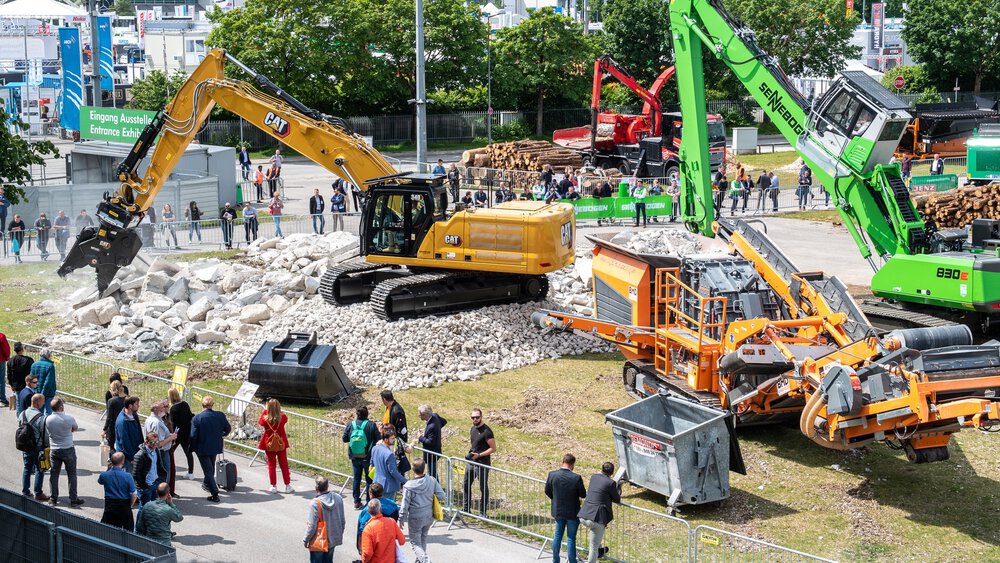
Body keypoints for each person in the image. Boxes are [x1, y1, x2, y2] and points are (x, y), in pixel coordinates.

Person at [399, 458, 445, 563]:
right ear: (424, 468)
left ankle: (425, 560)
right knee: (423, 538)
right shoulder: (432, 480)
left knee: (415, 543)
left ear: (412, 469)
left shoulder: (409, 486)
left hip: (415, 517)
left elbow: (404, 505)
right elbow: (442, 496)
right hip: (429, 516)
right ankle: (420, 560)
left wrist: (401, 518)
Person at [546, 453, 587, 563]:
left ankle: (555, 559)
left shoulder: (552, 474)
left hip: (558, 510)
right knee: (571, 538)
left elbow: (547, 491)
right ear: (572, 464)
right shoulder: (576, 478)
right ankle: (572, 561)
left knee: (557, 536)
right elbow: (583, 494)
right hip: (572, 512)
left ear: (563, 461)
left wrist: (555, 499)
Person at [190, 395, 231, 502]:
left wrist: (192, 447)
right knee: (210, 467)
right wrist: (221, 434)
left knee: (208, 470)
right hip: (215, 445)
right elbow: (228, 429)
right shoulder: (220, 415)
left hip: (202, 447)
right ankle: (206, 484)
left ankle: (214, 493)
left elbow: (193, 435)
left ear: (202, 404)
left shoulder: (197, 418)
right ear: (212, 404)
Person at [578, 462, 621, 563]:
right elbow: (617, 499)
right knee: (593, 546)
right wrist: (617, 490)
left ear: (601, 469)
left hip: (584, 514)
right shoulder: (611, 483)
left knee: (596, 540)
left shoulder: (594, 477)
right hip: (597, 519)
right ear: (612, 472)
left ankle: (600, 551)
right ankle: (596, 555)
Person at [45, 396, 83, 507]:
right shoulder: (69, 419)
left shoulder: (48, 419)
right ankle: (73, 499)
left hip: (54, 450)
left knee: (54, 474)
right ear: (61, 407)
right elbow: (75, 428)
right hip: (68, 449)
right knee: (72, 474)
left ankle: (53, 498)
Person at [342, 405, 380, 509]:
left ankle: (356, 502)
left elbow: (344, 439)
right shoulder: (371, 425)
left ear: (357, 414)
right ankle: (369, 502)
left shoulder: (351, 424)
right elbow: (378, 439)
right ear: (367, 414)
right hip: (368, 457)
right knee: (369, 480)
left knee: (356, 479)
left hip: (354, 457)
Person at [303, 476, 346, 563]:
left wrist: (306, 539)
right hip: (333, 538)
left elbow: (312, 526)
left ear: (316, 488)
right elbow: (342, 520)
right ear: (327, 486)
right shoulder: (338, 498)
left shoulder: (315, 503)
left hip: (319, 540)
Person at [463, 408, 496, 515]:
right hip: (472, 462)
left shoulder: (487, 432)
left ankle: (483, 512)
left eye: (477, 417)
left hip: (482, 463)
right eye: (473, 417)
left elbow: (493, 448)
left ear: (481, 417)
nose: (475, 419)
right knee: (466, 484)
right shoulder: (473, 429)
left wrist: (479, 455)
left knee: (483, 487)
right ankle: (466, 509)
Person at [258, 398, 293, 493]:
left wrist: (266, 410)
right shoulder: (283, 417)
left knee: (271, 465)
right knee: (284, 465)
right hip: (281, 443)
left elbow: (260, 422)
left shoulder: (265, 418)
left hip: (269, 444)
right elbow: (284, 419)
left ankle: (273, 486)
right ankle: (287, 485)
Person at [19, 393, 49, 500]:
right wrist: (46, 446)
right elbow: (44, 434)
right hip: (37, 447)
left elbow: (20, 426)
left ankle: (25, 491)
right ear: (37, 403)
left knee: (27, 468)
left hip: (26, 446)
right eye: (43, 401)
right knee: (39, 469)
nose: (44, 403)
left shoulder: (23, 413)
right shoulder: (41, 417)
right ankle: (38, 493)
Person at [99, 452, 138, 530]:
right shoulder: (127, 476)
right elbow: (134, 494)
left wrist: (108, 469)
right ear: (123, 462)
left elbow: (100, 481)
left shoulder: (104, 475)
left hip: (110, 505)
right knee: (128, 531)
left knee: (107, 530)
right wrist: (130, 504)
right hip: (124, 505)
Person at [356, 482, 400, 552]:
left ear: (370, 494)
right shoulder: (392, 504)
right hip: (389, 540)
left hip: (374, 544)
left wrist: (360, 547)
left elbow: (362, 530)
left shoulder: (368, 509)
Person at [132, 431, 167, 511]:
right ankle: (139, 524)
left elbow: (159, 467)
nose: (155, 444)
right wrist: (144, 487)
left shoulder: (156, 451)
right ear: (146, 441)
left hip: (155, 484)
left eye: (156, 442)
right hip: (146, 487)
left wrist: (160, 481)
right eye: (152, 442)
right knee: (143, 510)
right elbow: (136, 474)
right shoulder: (139, 455)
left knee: (153, 509)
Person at [144, 400, 177, 485]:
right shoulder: (157, 422)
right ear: (157, 410)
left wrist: (168, 435)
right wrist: (171, 437)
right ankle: (163, 495)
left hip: (155, 451)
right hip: (162, 452)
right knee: (165, 475)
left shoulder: (149, 419)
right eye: (163, 407)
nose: (165, 409)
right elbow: (159, 443)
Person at [168, 387, 195, 487]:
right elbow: (190, 415)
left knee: (170, 452)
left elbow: (173, 423)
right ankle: (191, 472)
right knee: (188, 453)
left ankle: (170, 472)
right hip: (186, 432)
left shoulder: (173, 409)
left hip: (177, 434)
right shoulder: (185, 404)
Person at [370, 426, 407, 499]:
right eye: (392, 438)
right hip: (388, 486)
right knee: (388, 507)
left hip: (377, 483)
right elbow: (393, 472)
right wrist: (405, 481)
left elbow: (372, 463)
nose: (394, 440)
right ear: (386, 439)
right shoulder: (389, 454)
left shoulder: (375, 448)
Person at [415, 405, 446, 480]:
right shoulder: (434, 416)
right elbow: (444, 421)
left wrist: (420, 437)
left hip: (431, 453)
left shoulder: (432, 426)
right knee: (432, 472)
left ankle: (435, 488)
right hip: (435, 451)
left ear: (425, 415)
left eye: (420, 415)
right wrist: (434, 432)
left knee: (432, 473)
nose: (419, 416)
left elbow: (430, 442)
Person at [115, 396, 144, 472]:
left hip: (136, 453)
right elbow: (125, 442)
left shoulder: (134, 415)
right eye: (136, 404)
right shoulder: (122, 421)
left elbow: (139, 433)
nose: (138, 406)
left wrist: (142, 449)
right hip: (128, 457)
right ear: (130, 406)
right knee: (129, 478)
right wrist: (132, 457)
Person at [103, 380, 127, 461]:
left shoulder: (111, 401)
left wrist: (104, 430)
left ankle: (114, 463)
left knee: (112, 447)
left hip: (113, 428)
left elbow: (109, 417)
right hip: (124, 425)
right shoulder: (125, 399)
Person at [30, 348, 57, 416]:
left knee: (38, 412)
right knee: (48, 412)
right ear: (48, 355)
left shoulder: (34, 365)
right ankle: (46, 426)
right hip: (48, 393)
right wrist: (43, 395)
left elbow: (31, 379)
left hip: (37, 391)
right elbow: (48, 382)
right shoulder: (50, 366)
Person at [7, 341, 33, 408]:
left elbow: (9, 374)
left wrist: (11, 384)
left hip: (16, 384)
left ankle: (20, 417)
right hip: (26, 384)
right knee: (27, 402)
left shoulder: (10, 361)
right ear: (22, 349)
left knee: (19, 402)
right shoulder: (28, 360)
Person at [0, 332, 8, 408]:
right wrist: (7, 357)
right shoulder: (1, 336)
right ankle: (2, 399)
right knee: (1, 381)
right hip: (0, 360)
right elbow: (6, 348)